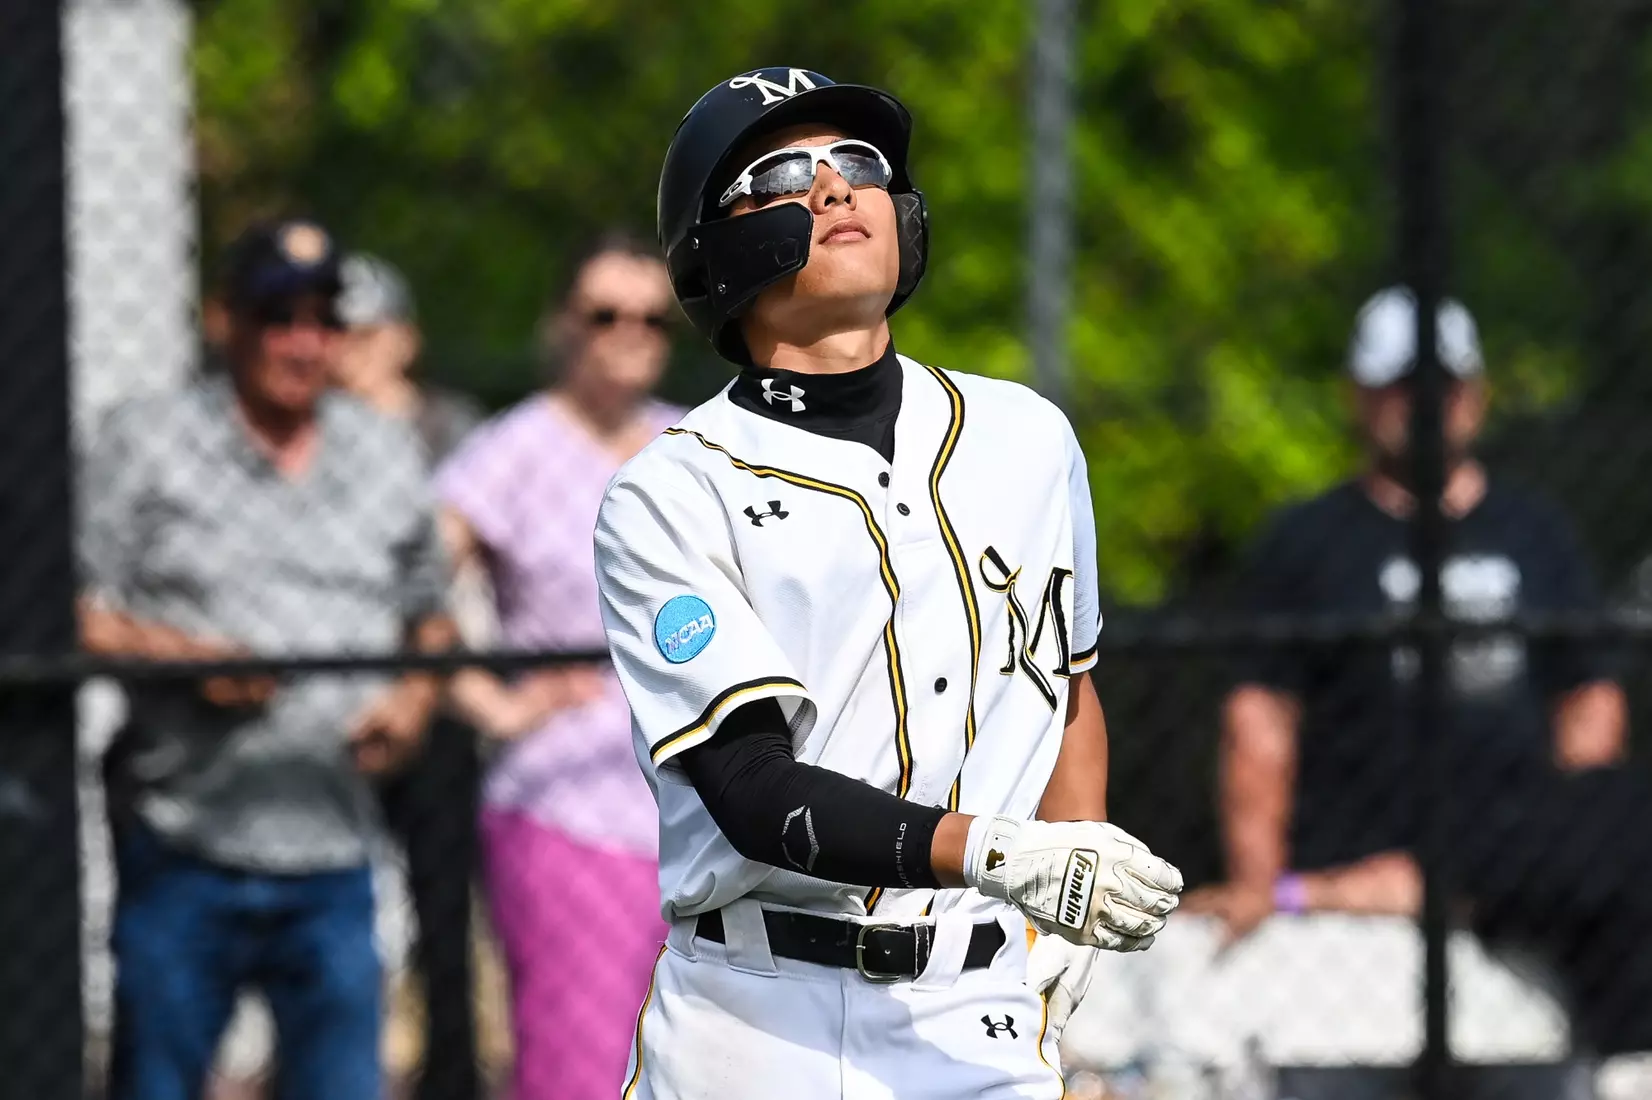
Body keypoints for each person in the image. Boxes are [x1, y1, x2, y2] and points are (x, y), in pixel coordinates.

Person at [592, 68, 1183, 1100]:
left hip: (977, 1017)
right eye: (782, 173)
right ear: (716, 246)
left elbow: (1064, 689)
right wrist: (1001, 853)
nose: (833, 188)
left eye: (857, 165)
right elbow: (754, 792)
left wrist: (1066, 879)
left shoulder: (1026, 438)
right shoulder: (672, 490)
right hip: (755, 1015)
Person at [1186, 287, 1628, 1097]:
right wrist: (1265, 886)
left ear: (1478, 394)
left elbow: (1589, 698)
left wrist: (1561, 850)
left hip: (1508, 915)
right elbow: (1259, 720)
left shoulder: (1538, 533)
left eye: (1444, 385)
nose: (1426, 406)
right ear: (1359, 396)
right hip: (1343, 916)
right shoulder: (1309, 541)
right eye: (1402, 387)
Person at [80, 218, 456, 1100]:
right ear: (226, 322)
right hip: (184, 840)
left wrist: (410, 702)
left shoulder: (382, 450)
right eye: (276, 315)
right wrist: (178, 656)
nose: (301, 340)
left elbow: (431, 617)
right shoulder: (146, 440)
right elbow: (71, 610)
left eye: (322, 318)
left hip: (334, 849)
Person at [432, 231, 683, 1100]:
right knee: (577, 1071)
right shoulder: (514, 449)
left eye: (653, 319)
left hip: (705, 810)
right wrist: (493, 705)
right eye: (605, 313)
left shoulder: (692, 446)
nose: (630, 333)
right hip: (568, 808)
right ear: (562, 326)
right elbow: (411, 592)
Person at [333, 251, 488, 1100]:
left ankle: (453, 1075)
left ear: (404, 338)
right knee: (337, 900)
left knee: (444, 910)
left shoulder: (449, 427)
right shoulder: (311, 429)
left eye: (365, 333)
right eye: (338, 333)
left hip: (443, 693)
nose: (348, 351)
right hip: (339, 689)